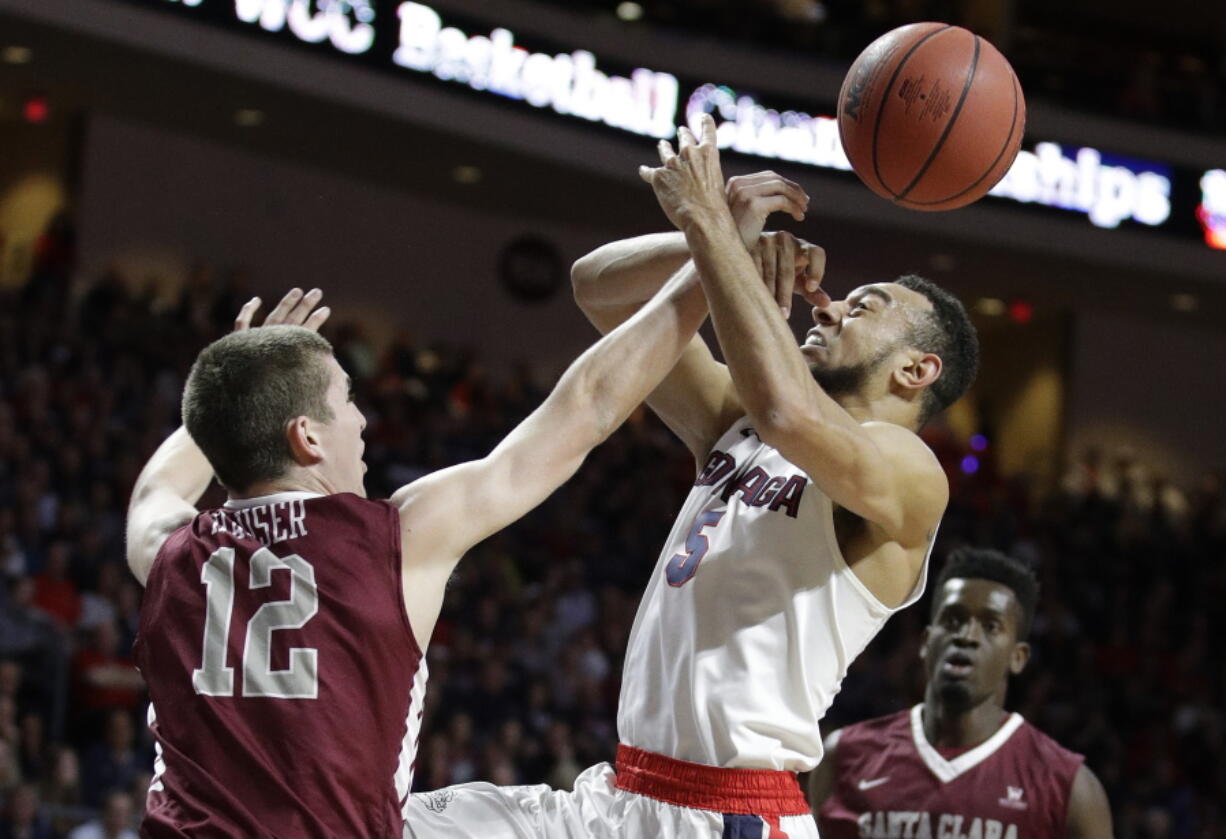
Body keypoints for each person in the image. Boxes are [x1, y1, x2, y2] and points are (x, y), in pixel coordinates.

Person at [404, 114, 978, 837]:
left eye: (863, 308)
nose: (829, 304)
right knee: (371, 823)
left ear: (916, 369)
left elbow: (787, 411)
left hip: (732, 813)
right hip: (621, 792)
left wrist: (713, 227)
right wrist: (721, 241)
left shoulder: (908, 468)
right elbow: (597, 290)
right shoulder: (737, 419)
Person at [126, 267, 717, 836]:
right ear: (306, 436)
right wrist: (716, 261)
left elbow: (155, 490)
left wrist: (235, 399)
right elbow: (587, 405)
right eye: (347, 398)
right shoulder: (396, 539)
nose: (360, 419)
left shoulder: (166, 551)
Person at [810, 547, 1114, 838]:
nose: (966, 636)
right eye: (953, 620)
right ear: (927, 641)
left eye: (991, 626)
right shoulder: (844, 757)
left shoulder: (1069, 787)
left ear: (1018, 657)